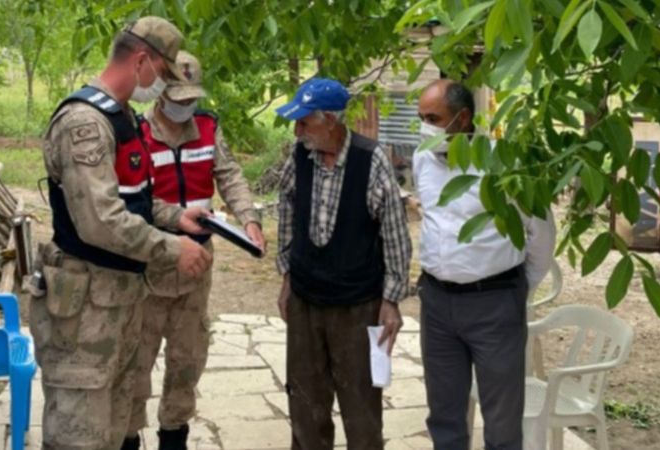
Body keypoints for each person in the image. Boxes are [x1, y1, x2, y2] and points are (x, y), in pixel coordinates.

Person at [31, 17, 213, 450]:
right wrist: (172, 248)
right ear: (142, 60)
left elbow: (133, 199)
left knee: (114, 432)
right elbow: (101, 220)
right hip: (85, 315)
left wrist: (175, 217)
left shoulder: (120, 116)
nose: (162, 86)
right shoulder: (85, 122)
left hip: (119, 303)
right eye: (163, 73)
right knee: (80, 437)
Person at [124, 51, 266, 450]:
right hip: (151, 262)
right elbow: (132, 201)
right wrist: (174, 217)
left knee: (187, 360)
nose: (185, 106)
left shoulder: (207, 127)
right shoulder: (136, 133)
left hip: (197, 266)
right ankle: (128, 436)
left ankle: (174, 436)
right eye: (178, 98)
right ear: (160, 94)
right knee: (135, 363)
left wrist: (249, 218)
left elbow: (230, 175)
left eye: (191, 98)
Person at [413, 79, 556, 450]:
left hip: (494, 305)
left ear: (462, 119)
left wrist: (517, 290)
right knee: (444, 415)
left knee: (502, 422)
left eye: (433, 118)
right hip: (437, 305)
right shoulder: (422, 159)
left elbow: (541, 235)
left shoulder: (505, 164)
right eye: (421, 117)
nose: (424, 127)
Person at [275, 78, 413, 450]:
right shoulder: (300, 156)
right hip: (306, 299)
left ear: (331, 121)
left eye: (304, 122)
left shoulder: (371, 160)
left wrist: (391, 301)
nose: (297, 131)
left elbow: (395, 233)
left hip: (357, 304)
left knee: (361, 408)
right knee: (305, 404)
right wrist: (287, 276)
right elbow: (286, 211)